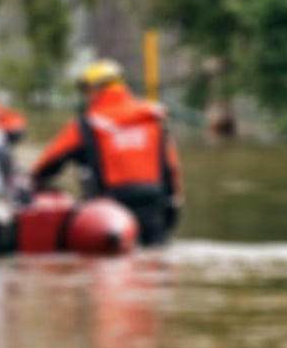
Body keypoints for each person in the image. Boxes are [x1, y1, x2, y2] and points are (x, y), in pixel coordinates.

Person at [31, 59, 183, 245]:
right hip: (153, 204)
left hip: (109, 211)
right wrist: (173, 203)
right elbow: (171, 166)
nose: (85, 96)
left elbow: (48, 163)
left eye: (85, 90)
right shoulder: (152, 118)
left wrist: (32, 182)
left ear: (96, 89)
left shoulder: (87, 124)